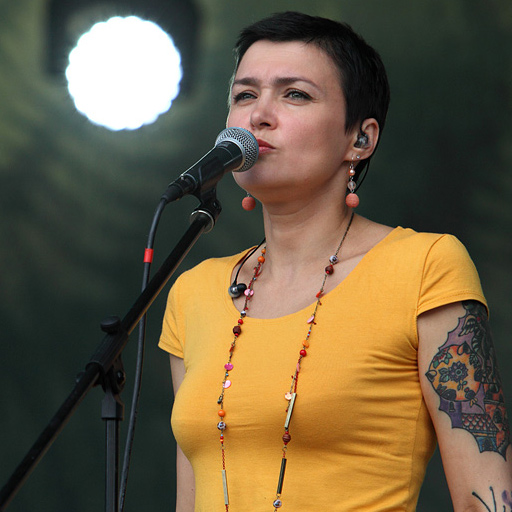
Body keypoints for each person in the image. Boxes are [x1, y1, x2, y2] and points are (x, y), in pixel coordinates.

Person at [159, 11, 512, 512]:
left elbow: (486, 499)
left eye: (295, 94)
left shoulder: (425, 266)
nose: (259, 116)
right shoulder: (193, 292)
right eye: (244, 95)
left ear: (360, 139)